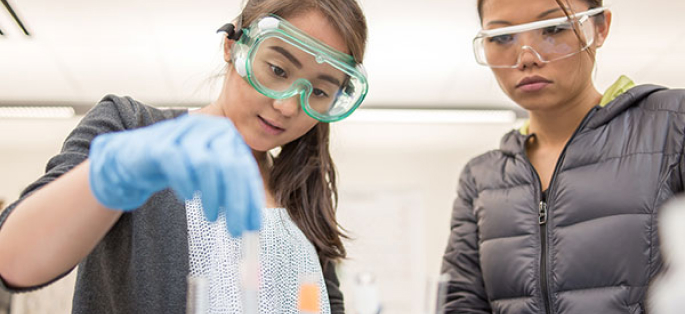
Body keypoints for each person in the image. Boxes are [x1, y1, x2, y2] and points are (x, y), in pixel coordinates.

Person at [0, 0, 369, 313]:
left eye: (319, 92)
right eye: (277, 70)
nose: (288, 106)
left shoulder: (300, 190)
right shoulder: (131, 127)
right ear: (232, 46)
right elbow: (13, 260)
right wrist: (114, 174)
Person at [441, 0, 685, 313]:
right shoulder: (481, 178)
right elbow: (461, 302)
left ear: (599, 28)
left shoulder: (673, 127)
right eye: (502, 38)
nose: (526, 57)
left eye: (553, 29)